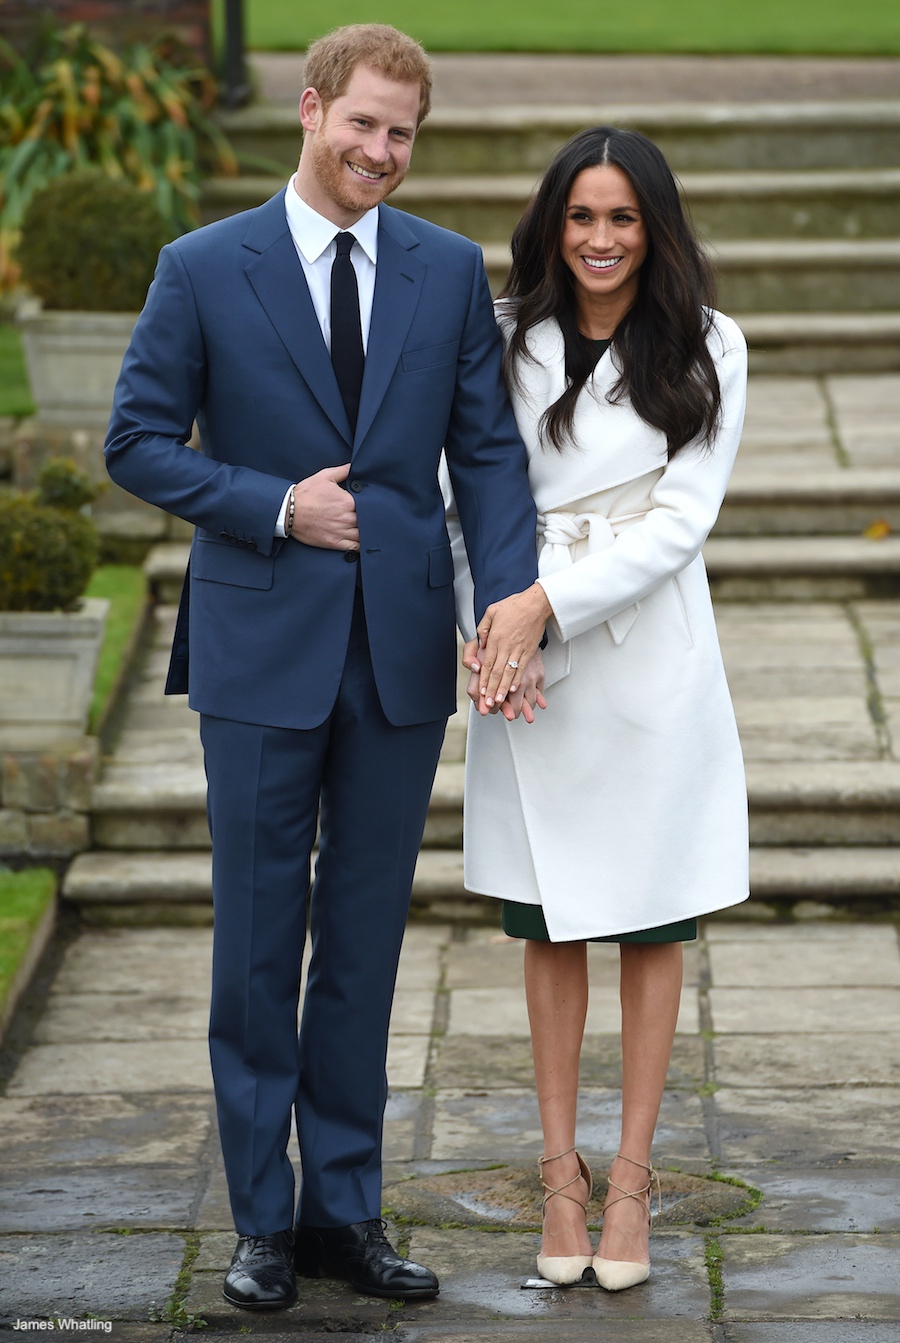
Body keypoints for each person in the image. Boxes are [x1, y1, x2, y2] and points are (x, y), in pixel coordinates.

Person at [105, 24, 539, 1312]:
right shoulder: (202, 267)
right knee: (254, 940)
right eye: (363, 125)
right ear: (310, 112)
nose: (383, 153)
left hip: (399, 655)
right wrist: (271, 504)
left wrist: (508, 603)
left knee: (363, 940)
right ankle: (259, 1218)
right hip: (256, 644)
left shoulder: (448, 272)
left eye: (403, 133)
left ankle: (348, 1208)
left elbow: (492, 457)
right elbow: (134, 441)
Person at [449, 125, 749, 1291]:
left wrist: (542, 609)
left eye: (623, 216)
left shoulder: (712, 344)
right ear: (551, 224)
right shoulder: (499, 336)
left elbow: (680, 522)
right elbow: (462, 492)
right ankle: (558, 1173)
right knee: (551, 918)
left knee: (652, 914)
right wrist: (489, 630)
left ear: (656, 225)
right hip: (520, 662)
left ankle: (631, 1180)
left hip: (645, 659)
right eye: (581, 216)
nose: (601, 238)